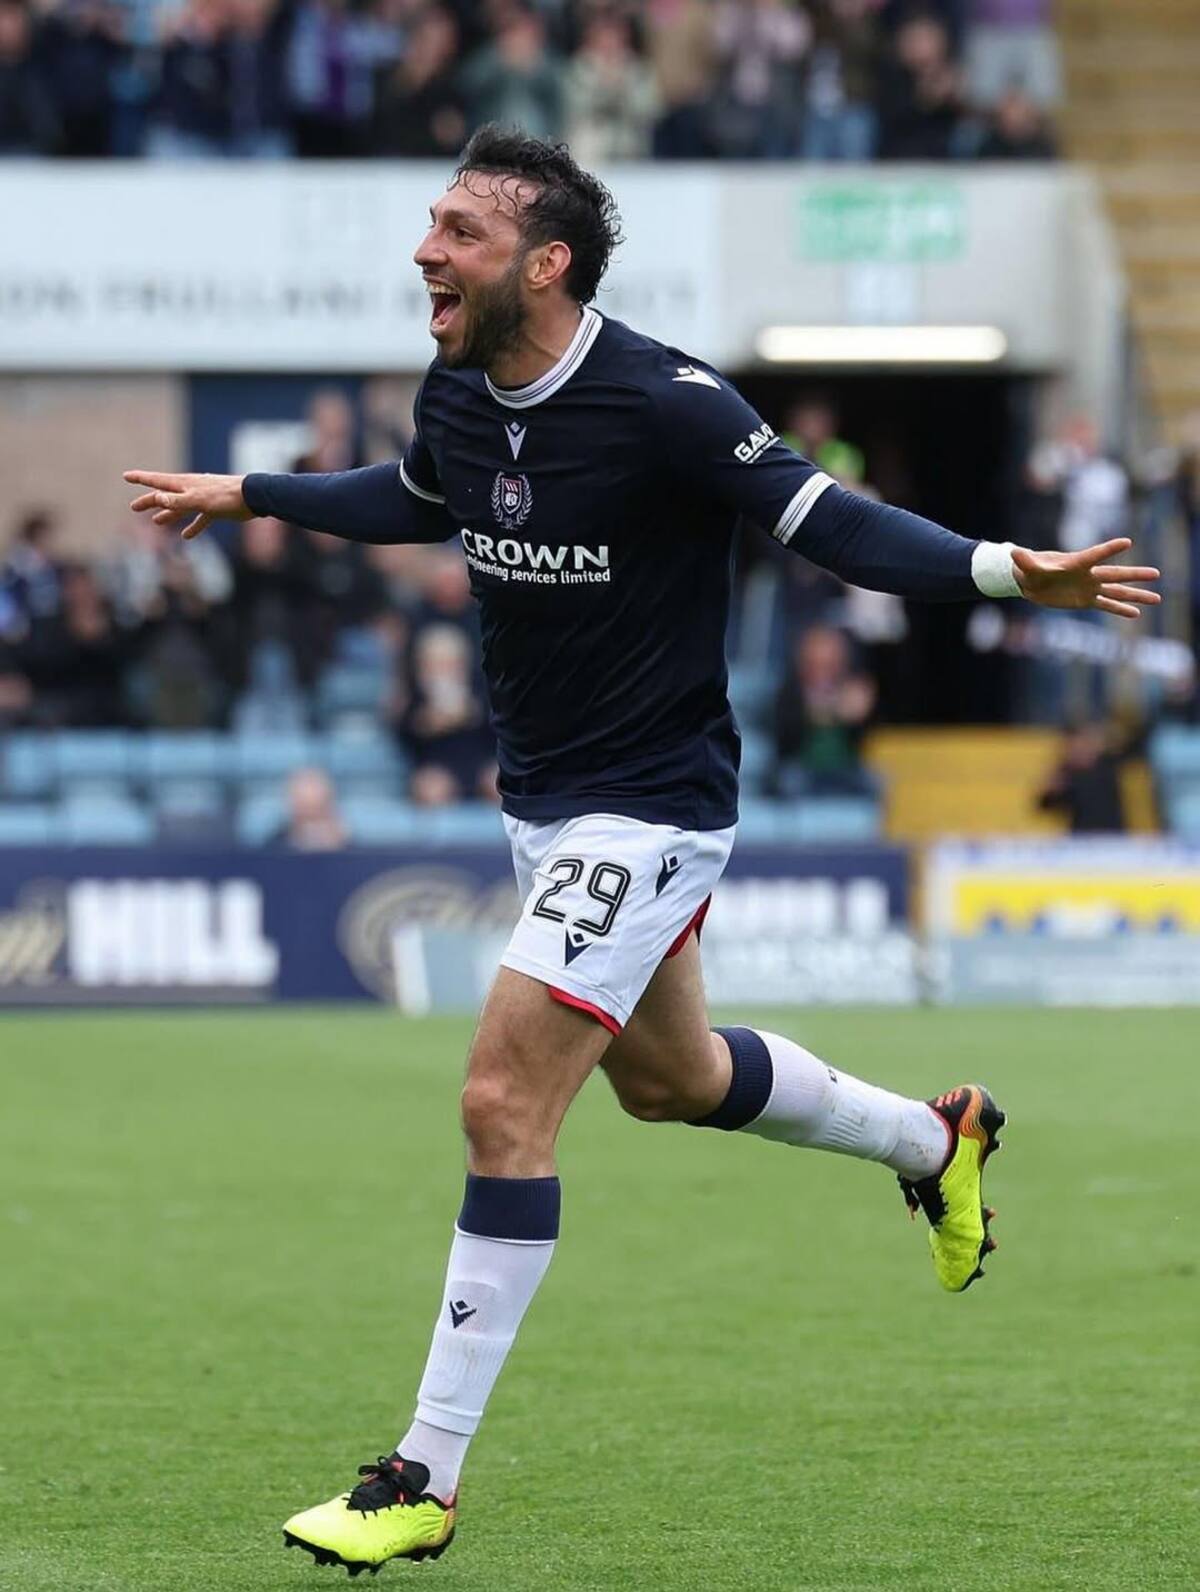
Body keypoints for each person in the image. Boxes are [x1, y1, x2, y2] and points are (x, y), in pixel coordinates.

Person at [124, 126, 1161, 1575]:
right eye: (433, 224)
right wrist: (255, 493)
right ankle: (940, 1142)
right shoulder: (459, 385)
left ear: (546, 264)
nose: (428, 250)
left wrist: (1002, 570)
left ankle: (422, 1475)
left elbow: (831, 525)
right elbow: (421, 496)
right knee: (673, 1083)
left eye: (462, 232)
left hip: (654, 805)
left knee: (502, 1103)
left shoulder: (668, 400)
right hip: (544, 802)